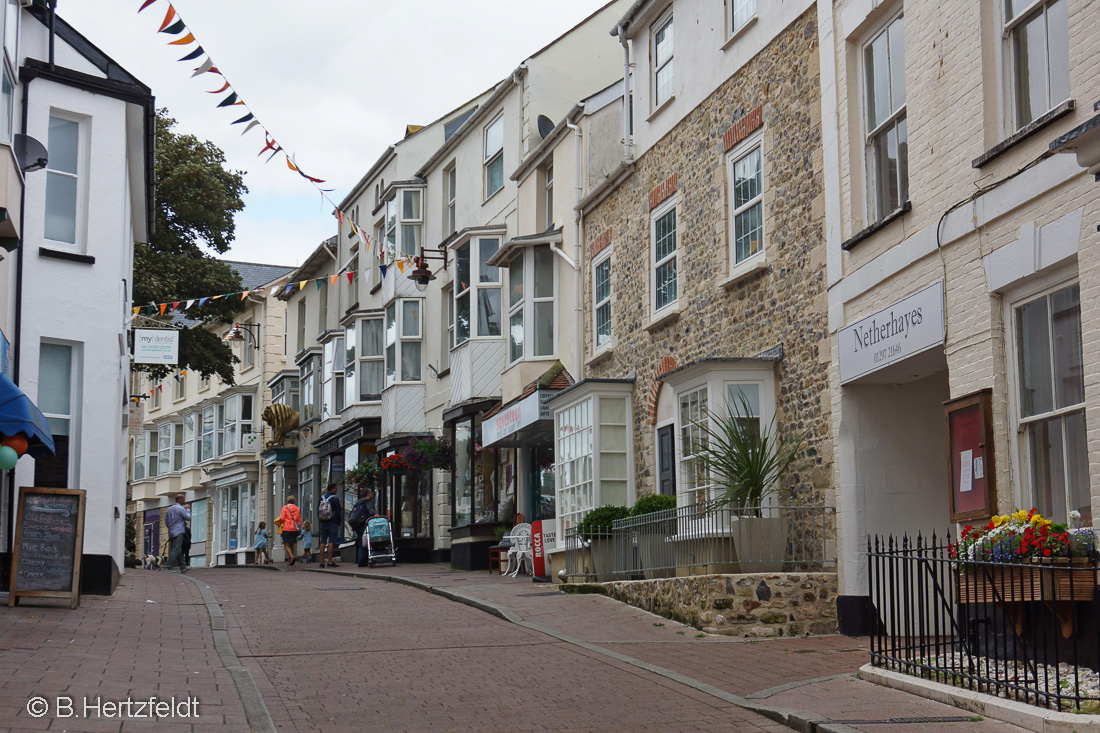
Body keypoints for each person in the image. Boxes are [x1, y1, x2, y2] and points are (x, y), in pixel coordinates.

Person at [348, 487, 377, 567]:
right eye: (370, 493)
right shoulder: (368, 501)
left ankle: (361, 560)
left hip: (356, 524)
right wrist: (376, 515)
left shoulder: (358, 502)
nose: (371, 494)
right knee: (365, 541)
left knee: (361, 541)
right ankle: (364, 559)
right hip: (363, 524)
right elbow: (371, 511)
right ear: (368, 494)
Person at [318, 483, 342, 568]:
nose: (337, 490)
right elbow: (338, 512)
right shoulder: (335, 499)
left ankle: (321, 562)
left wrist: (320, 520)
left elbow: (318, 510)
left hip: (323, 522)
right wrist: (338, 522)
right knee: (331, 541)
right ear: (333, 488)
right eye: (336, 488)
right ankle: (329, 561)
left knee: (323, 541)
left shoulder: (322, 498)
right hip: (333, 522)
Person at [165, 493, 191, 573]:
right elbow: (188, 517)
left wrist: (170, 528)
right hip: (179, 531)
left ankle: (183, 566)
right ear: (180, 500)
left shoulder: (169, 509)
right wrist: (187, 510)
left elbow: (166, 521)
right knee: (175, 549)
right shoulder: (180, 508)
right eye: (183, 499)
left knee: (178, 550)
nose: (184, 501)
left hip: (171, 532)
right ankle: (168, 567)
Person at [279, 497, 302, 566]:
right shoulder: (297, 509)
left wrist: (280, 524)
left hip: (286, 527)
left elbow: (282, 518)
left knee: (286, 544)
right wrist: (299, 528)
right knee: (291, 544)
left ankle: (291, 556)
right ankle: (290, 560)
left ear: (287, 501)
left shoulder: (285, 508)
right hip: (294, 528)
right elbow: (299, 520)